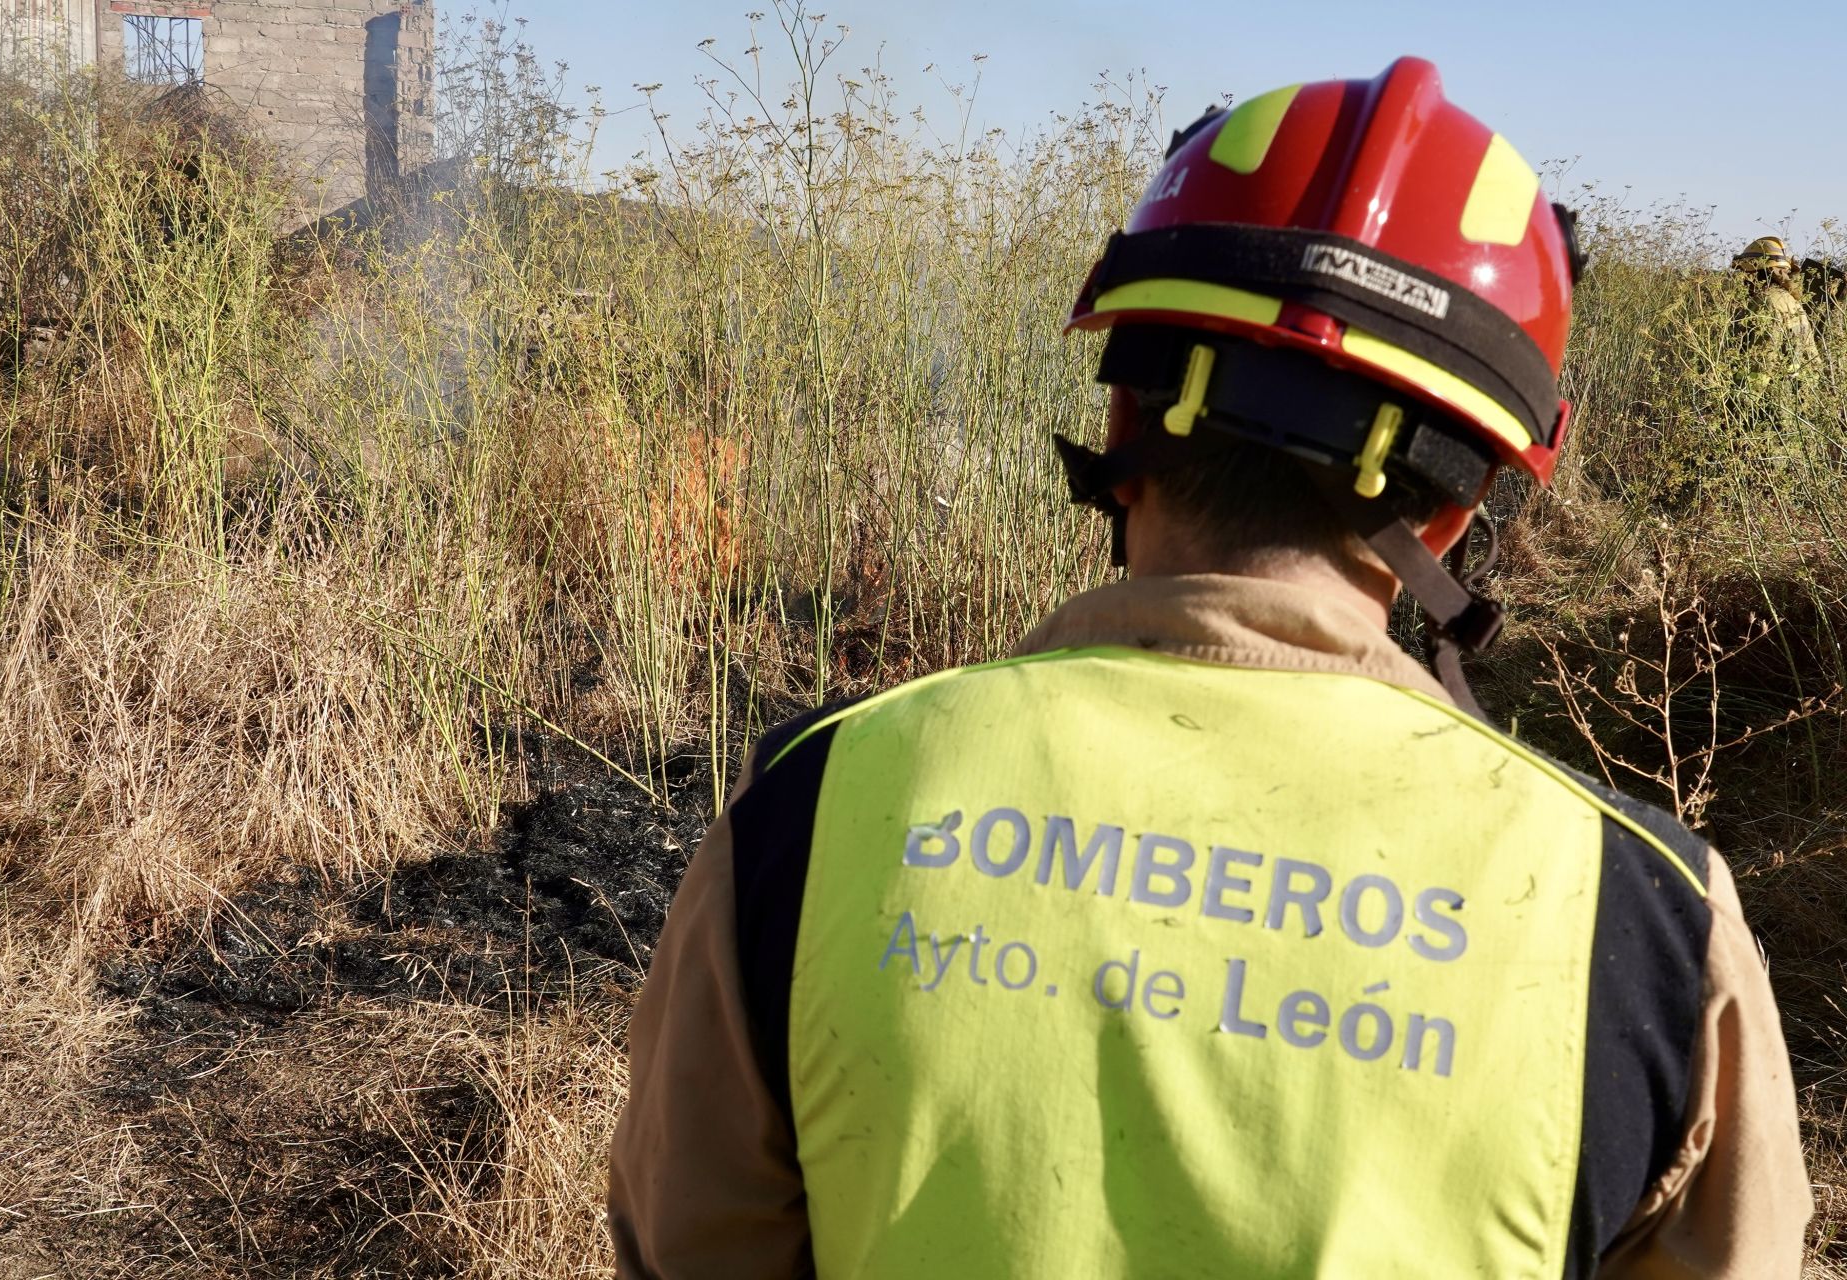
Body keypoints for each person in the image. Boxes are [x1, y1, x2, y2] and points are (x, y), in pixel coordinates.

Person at [608, 57, 1810, 1278]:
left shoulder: (812, 810)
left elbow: (689, 1245)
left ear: (1124, 419)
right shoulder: (1652, 929)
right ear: (1462, 509)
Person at [1733, 235, 1819, 369]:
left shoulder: (1766, 302)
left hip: (1778, 380)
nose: (1744, 279)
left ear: (1756, 272)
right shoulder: (1790, 298)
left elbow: (1763, 360)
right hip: (1804, 378)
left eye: (1746, 272)